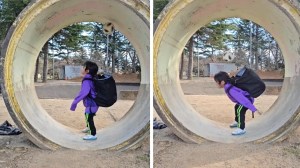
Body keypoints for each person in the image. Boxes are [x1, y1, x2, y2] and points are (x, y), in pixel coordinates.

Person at [214, 71, 262, 135]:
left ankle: (241, 128)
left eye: (217, 82)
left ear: (222, 82)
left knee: (240, 110)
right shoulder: (228, 86)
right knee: (237, 107)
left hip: (247, 100)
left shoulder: (231, 90)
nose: (216, 84)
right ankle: (237, 121)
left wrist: (253, 109)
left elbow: (243, 100)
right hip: (243, 100)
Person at [70, 61, 99, 140]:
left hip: (91, 103)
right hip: (94, 102)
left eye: (83, 67)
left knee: (89, 116)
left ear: (87, 70)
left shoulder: (87, 80)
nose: (82, 68)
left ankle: (93, 134)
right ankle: (88, 127)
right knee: (87, 114)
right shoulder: (92, 78)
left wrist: (74, 103)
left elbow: (84, 93)